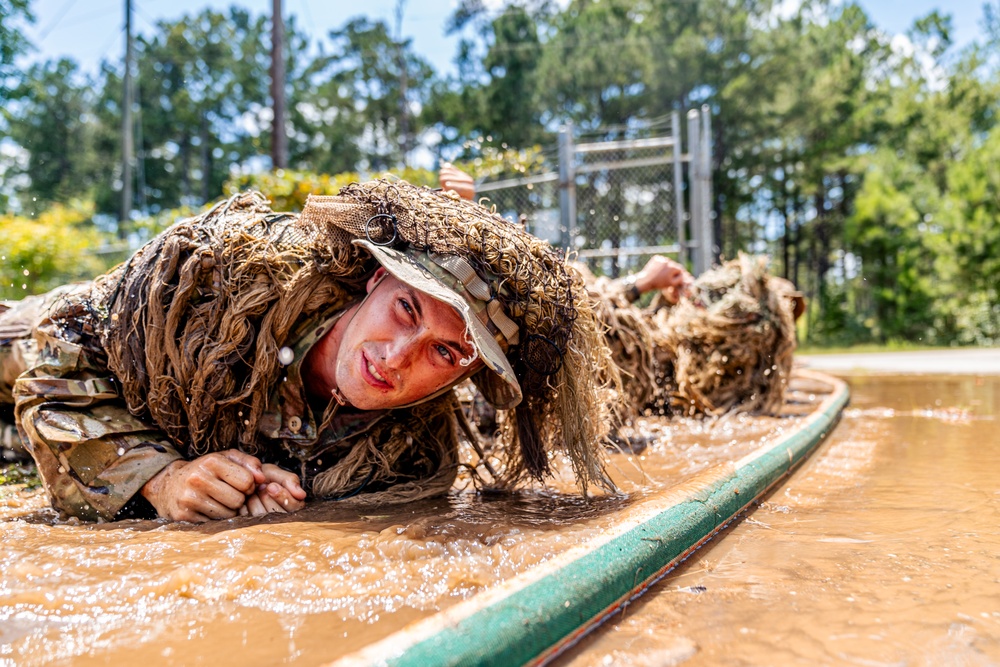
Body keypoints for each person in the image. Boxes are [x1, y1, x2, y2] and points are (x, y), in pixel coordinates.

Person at [0, 174, 620, 523]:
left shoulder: (413, 458)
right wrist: (161, 478)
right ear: (376, 277)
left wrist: (260, 498)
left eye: (445, 353)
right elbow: (58, 354)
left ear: (471, 374)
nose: (398, 357)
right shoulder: (224, 278)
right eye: (407, 308)